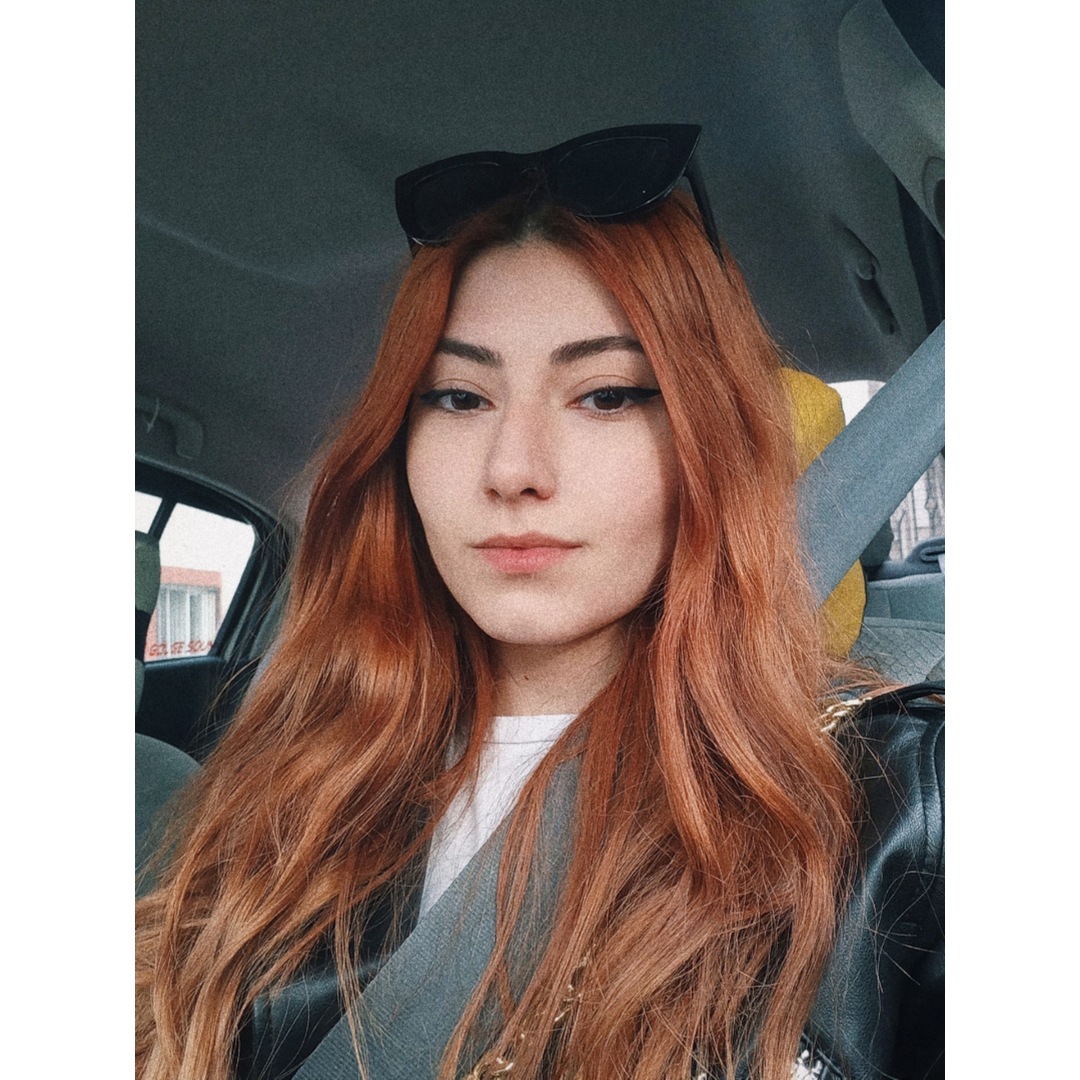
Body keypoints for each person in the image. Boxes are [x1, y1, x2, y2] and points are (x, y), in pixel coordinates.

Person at [135, 126, 943, 1080]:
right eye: (458, 398)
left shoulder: (899, 810)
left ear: (709, 444)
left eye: (606, 395)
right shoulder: (288, 776)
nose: (513, 469)